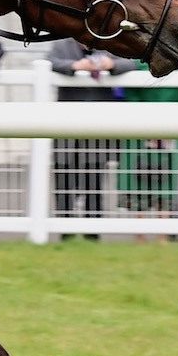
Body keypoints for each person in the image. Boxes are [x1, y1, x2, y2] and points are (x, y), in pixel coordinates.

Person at [49, 37, 134, 234]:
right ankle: (65, 228)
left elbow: (131, 63)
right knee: (63, 177)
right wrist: (75, 66)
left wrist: (111, 64)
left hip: (97, 126)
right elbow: (49, 62)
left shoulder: (110, 45)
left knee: (94, 178)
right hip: (67, 125)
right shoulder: (61, 45)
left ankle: (93, 228)